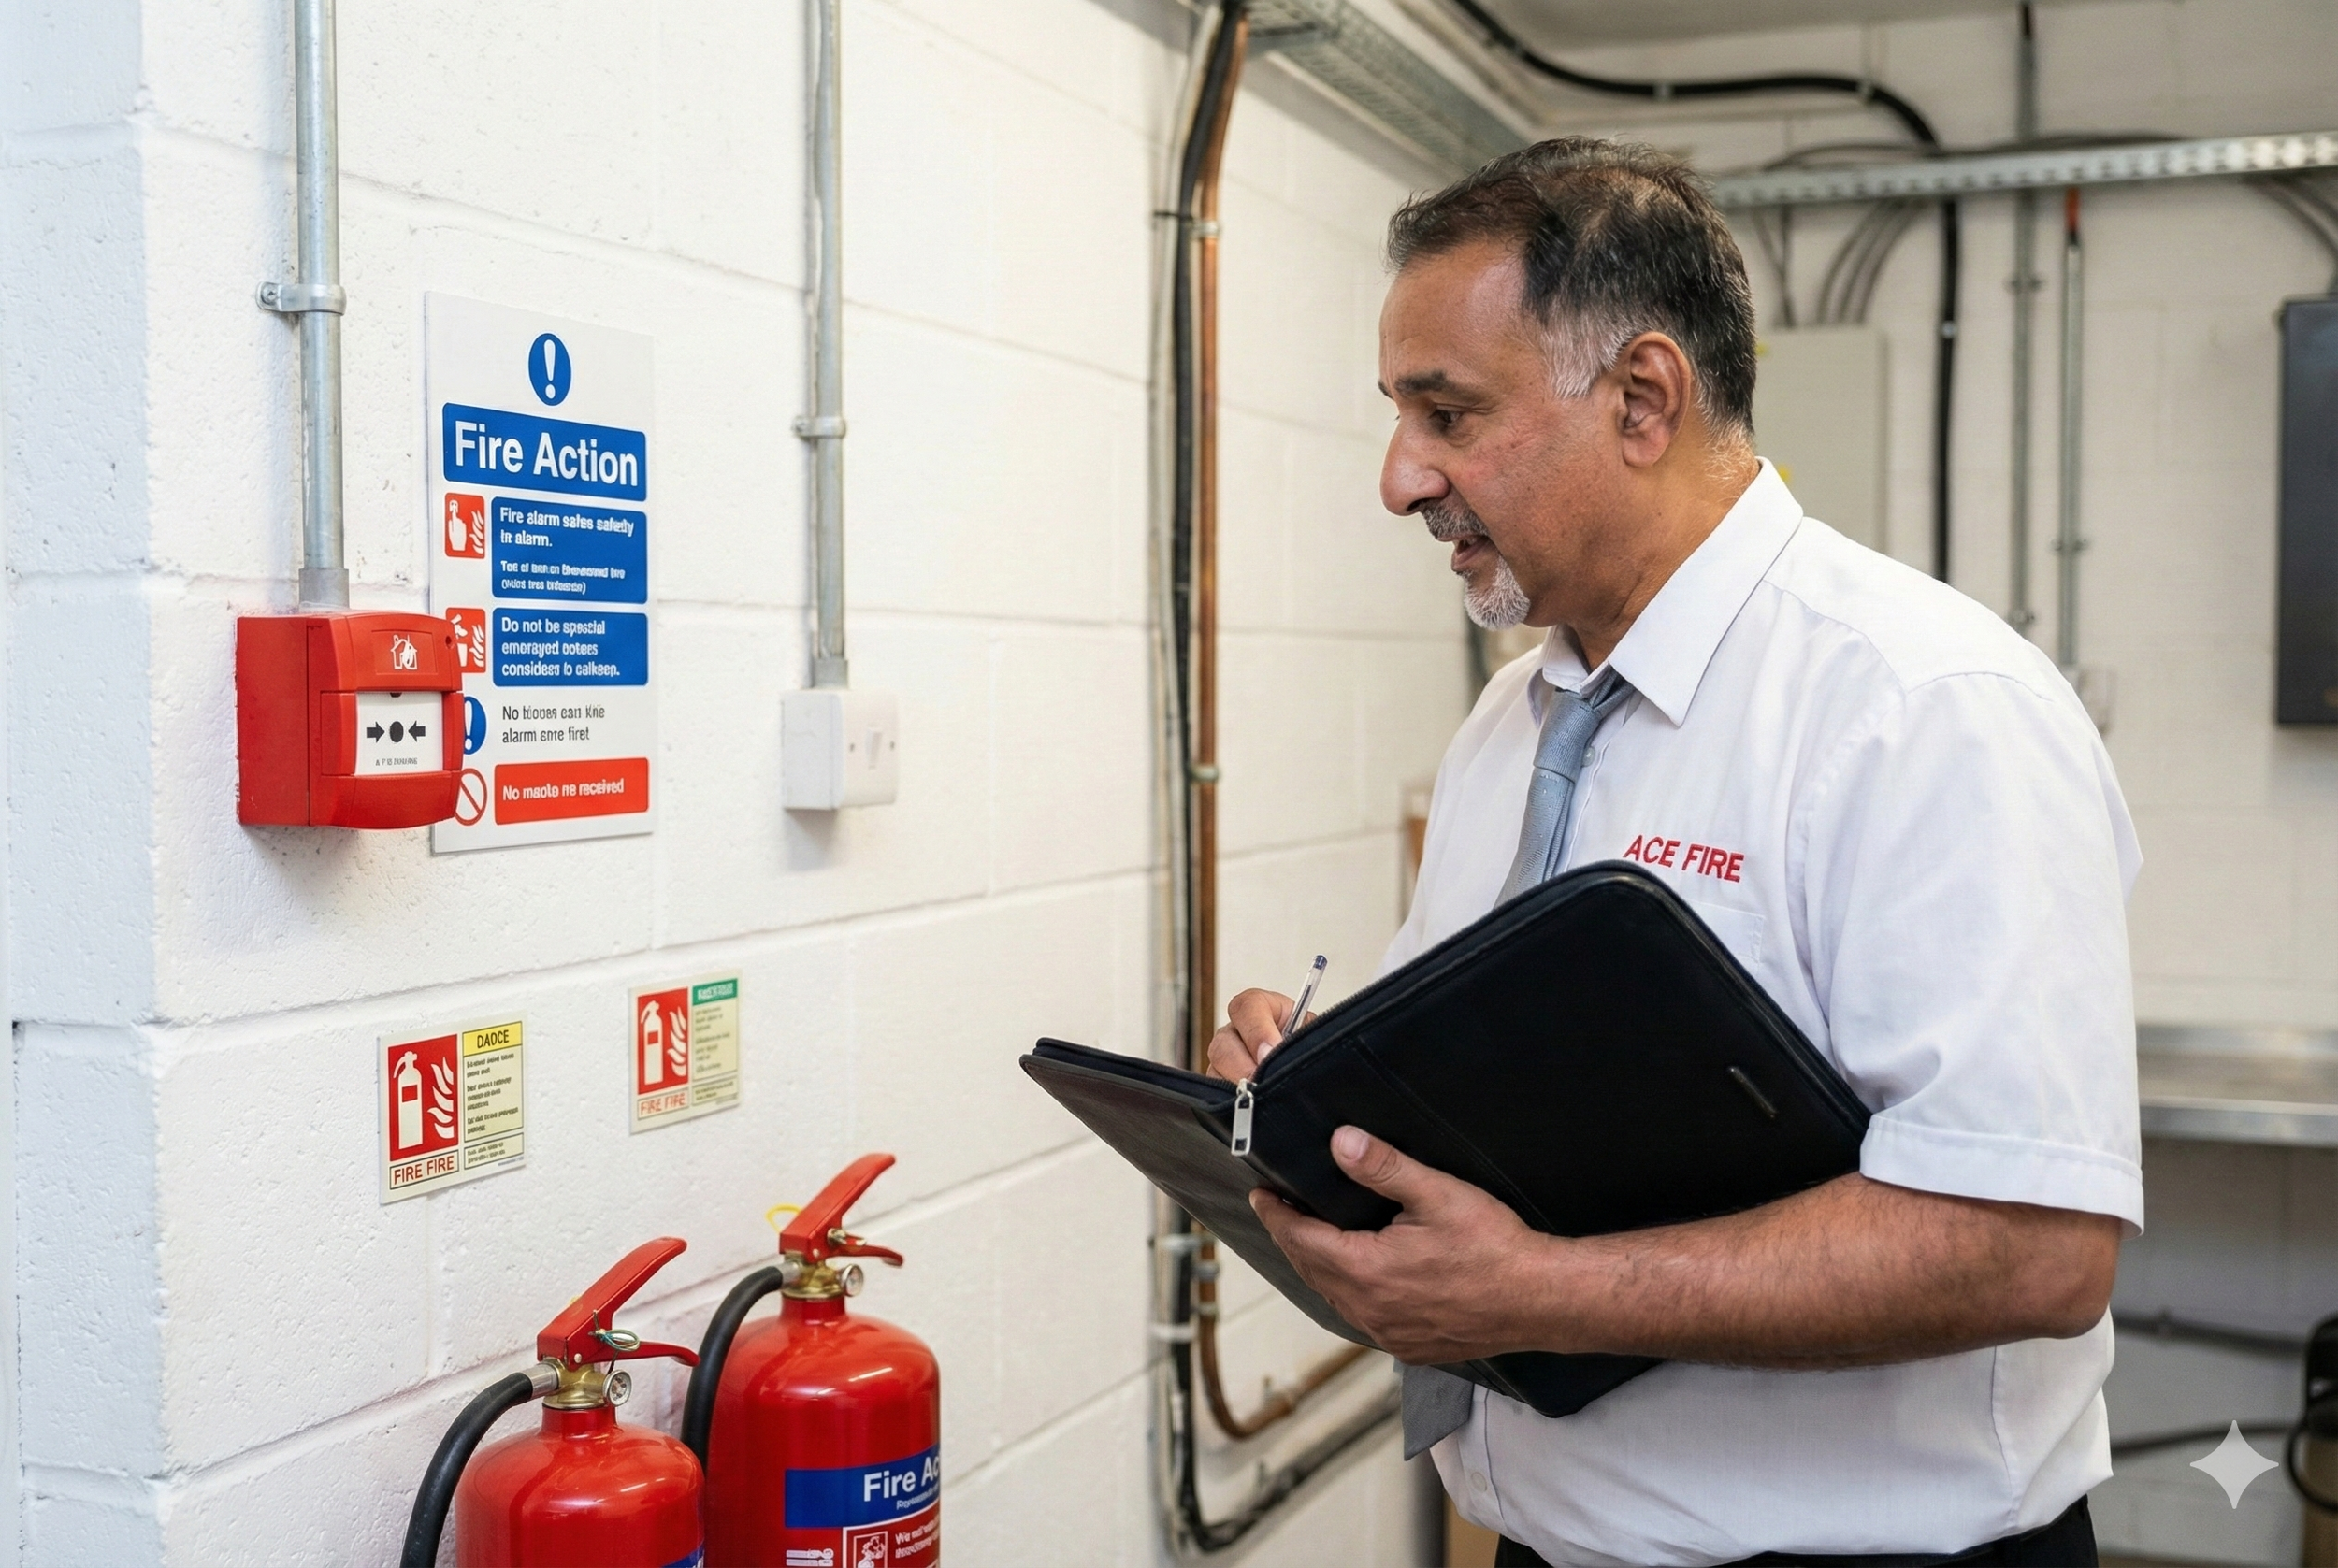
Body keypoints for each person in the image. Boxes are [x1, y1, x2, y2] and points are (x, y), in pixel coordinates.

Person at [1209, 139, 2140, 1567]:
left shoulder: (1925, 707)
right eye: (1401, 418)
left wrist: (1539, 1294)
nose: (1402, 479)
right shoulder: (1514, 722)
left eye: (1448, 414)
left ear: (1643, 397)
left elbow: (2033, 1245)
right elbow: (1528, 1093)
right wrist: (1340, 1089)